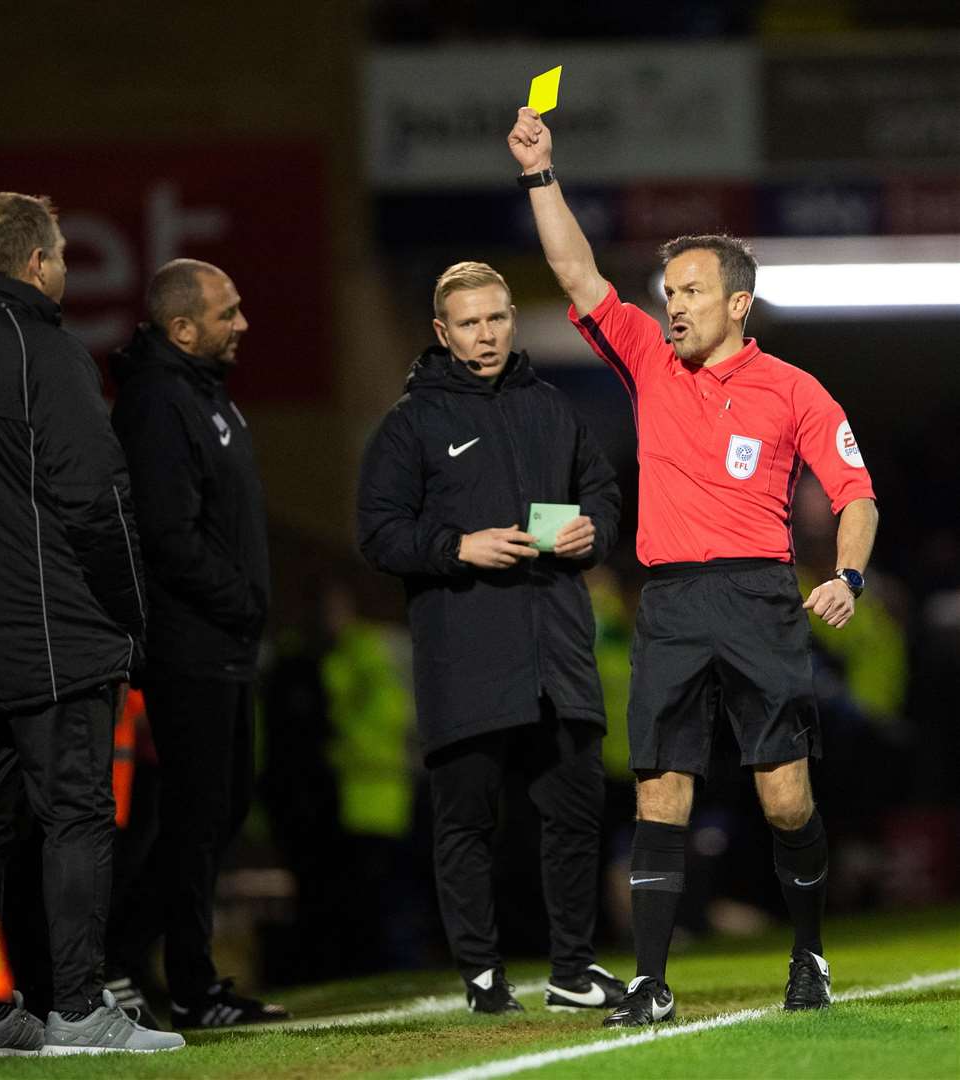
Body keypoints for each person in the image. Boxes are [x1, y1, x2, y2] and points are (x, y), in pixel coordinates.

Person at [507, 107, 879, 1026]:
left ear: (737, 303)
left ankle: (810, 955)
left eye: (690, 291)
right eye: (667, 289)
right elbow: (575, 271)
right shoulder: (646, 358)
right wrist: (539, 174)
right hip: (669, 600)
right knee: (659, 792)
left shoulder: (796, 390)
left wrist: (849, 572)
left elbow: (856, 492)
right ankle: (653, 983)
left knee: (785, 798)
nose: (671, 304)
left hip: (759, 596)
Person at [0, 192, 183, 1057]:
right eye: (61, 255)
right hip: (55, 634)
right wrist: (131, 617)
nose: (65, 268)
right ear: (35, 264)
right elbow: (97, 498)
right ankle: (80, 1006)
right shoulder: (44, 349)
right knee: (77, 816)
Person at [357, 261, 626, 1013]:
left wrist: (592, 529)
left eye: (497, 318)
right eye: (470, 323)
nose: (487, 334)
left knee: (575, 816)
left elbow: (601, 490)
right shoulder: (410, 424)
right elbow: (377, 533)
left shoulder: (552, 407)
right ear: (442, 334)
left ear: (512, 317)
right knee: (468, 820)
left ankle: (572, 970)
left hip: (558, 655)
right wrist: (456, 548)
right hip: (467, 656)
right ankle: (482, 976)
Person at [109, 259, 286, 1028]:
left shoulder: (203, 394)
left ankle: (134, 961)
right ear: (182, 328)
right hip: (191, 647)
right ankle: (177, 978)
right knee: (195, 817)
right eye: (229, 312)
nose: (243, 324)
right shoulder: (160, 403)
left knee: (216, 812)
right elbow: (167, 535)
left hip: (223, 644)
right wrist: (241, 601)